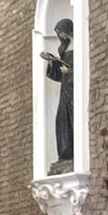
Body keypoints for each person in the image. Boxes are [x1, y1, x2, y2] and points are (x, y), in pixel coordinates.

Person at [40, 18, 74, 166]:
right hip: (65, 89)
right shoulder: (63, 49)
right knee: (61, 119)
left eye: (61, 32)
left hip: (73, 90)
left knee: (72, 118)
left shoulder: (77, 45)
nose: (60, 35)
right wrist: (51, 61)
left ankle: (74, 154)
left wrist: (70, 71)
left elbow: (83, 67)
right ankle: (65, 153)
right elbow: (59, 74)